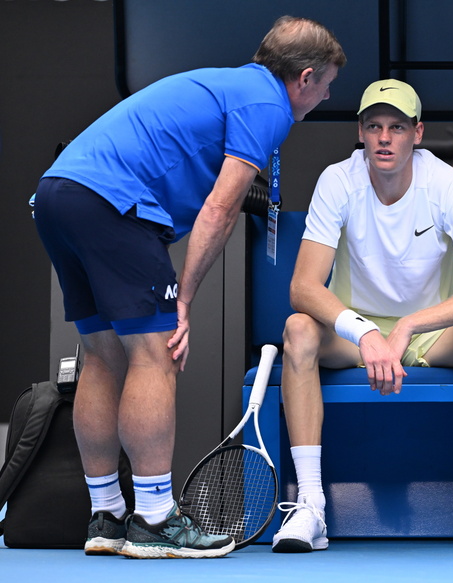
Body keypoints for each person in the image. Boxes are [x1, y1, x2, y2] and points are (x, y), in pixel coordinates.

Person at [31, 16, 345, 559]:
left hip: (58, 194)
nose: (324, 97)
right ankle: (155, 520)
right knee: (155, 355)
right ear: (306, 77)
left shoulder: (230, 85)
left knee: (102, 357)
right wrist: (186, 299)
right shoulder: (268, 105)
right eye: (327, 86)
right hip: (112, 203)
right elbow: (221, 208)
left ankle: (105, 517)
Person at [271, 79, 453, 553]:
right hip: (356, 337)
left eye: (396, 127)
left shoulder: (444, 182)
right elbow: (302, 288)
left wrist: (410, 325)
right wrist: (366, 331)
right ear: (362, 133)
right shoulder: (338, 180)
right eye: (374, 127)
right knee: (298, 330)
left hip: (433, 334)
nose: (385, 138)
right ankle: (311, 506)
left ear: (418, 133)